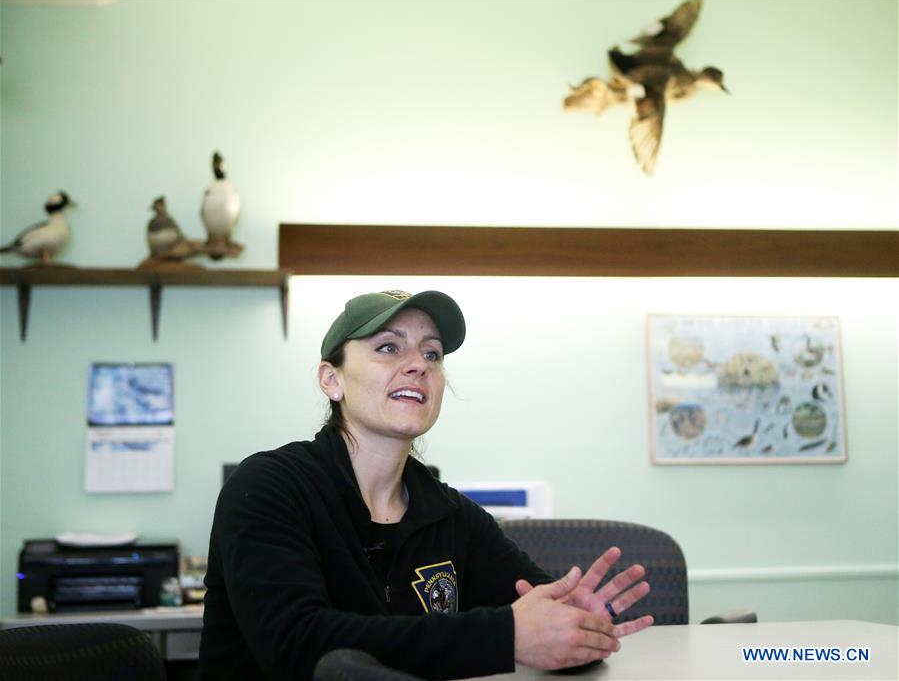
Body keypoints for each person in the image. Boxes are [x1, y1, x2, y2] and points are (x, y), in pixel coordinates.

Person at [199, 290, 654, 680]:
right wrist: (506, 636)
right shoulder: (266, 487)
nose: (418, 365)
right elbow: (297, 645)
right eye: (388, 348)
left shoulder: (450, 515)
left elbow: (540, 618)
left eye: (432, 354)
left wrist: (577, 626)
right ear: (331, 379)